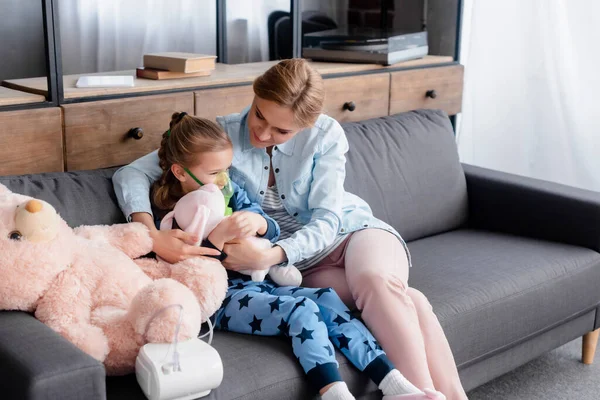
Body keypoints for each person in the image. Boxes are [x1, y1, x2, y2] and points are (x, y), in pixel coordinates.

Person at [112, 59, 467, 400]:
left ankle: (416, 395)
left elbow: (328, 220)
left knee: (376, 281)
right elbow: (131, 172)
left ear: (307, 124)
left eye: (281, 130)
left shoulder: (326, 135)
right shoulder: (223, 135)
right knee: (409, 301)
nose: (263, 133)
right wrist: (153, 235)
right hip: (303, 268)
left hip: (352, 234)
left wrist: (270, 254)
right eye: (259, 115)